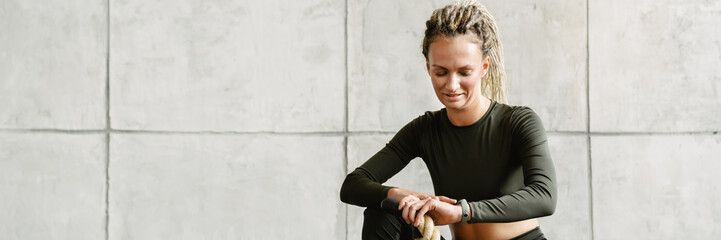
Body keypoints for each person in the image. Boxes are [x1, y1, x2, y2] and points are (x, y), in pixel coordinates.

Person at [339, 1, 557, 239]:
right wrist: (403, 195)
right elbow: (353, 185)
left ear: (484, 66)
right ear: (428, 67)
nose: (452, 85)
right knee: (383, 212)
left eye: (464, 72)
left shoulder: (518, 121)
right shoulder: (425, 129)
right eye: (440, 72)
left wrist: (460, 212)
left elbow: (544, 195)